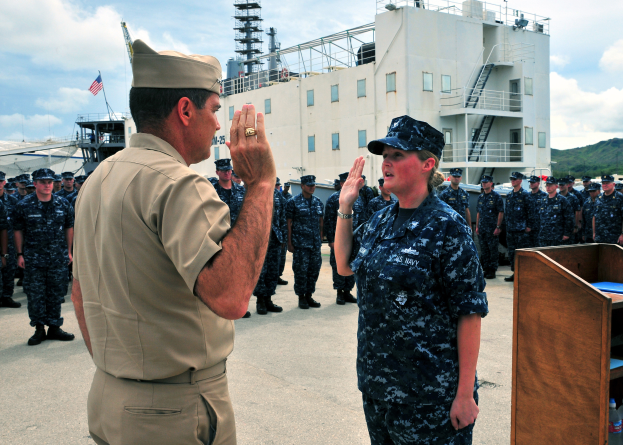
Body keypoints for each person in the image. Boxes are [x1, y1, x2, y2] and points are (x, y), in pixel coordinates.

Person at [71, 40, 276, 445]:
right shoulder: (178, 184)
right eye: (215, 110)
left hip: (111, 395)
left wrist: (124, 372)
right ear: (185, 110)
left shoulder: (97, 179)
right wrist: (261, 184)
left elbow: (79, 290)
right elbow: (233, 298)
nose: (219, 124)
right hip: (171, 413)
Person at [334, 115, 488, 445]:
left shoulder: (448, 228)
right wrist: (345, 208)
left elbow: (469, 314)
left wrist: (464, 394)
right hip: (379, 389)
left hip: (429, 399)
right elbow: (345, 265)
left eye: (398, 156)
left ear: (426, 164)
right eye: (385, 156)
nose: (386, 163)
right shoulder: (381, 220)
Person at [13, 168, 75, 345]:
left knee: (56, 293)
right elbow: (17, 230)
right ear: (35, 184)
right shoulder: (24, 205)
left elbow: (68, 227)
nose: (47, 185)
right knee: (35, 294)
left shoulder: (63, 204)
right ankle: (39, 328)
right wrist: (20, 254)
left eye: (49, 182)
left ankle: (54, 327)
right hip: (33, 258)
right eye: (43, 182)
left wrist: (69, 251)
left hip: (57, 257)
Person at [324, 172, 363, 305]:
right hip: (339, 239)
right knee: (338, 265)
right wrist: (331, 240)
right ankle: (340, 293)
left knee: (353, 264)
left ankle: (347, 291)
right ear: (341, 183)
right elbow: (328, 221)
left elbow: (362, 219)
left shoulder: (359, 198)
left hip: (355, 239)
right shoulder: (334, 199)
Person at [286, 175, 324, 309]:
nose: (312, 187)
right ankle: (301, 297)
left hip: (314, 244)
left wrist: (320, 238)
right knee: (301, 271)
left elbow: (321, 221)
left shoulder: (318, 202)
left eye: (313, 185)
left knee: (314, 270)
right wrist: (289, 243)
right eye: (309, 185)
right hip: (300, 244)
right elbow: (288, 223)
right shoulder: (293, 202)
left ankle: (309, 295)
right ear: (302, 186)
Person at [253, 177, 286, 315]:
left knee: (273, 270)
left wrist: (283, 236)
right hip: (258, 238)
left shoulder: (277, 194)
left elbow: (282, 216)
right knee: (261, 270)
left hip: (274, 237)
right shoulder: (254, 192)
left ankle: (268, 299)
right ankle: (260, 300)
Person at [503, 172, 534, 283]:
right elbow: (507, 212)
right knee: (512, 253)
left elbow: (530, 212)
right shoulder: (509, 195)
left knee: (521, 253)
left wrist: (529, 226)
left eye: (515, 179)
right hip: (511, 229)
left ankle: (523, 273)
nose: (513, 181)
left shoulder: (525, 195)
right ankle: (515, 273)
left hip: (521, 230)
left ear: (520, 180)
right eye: (512, 179)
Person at [476, 175, 504, 280]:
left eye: (486, 182)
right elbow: (478, 213)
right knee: (484, 250)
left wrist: (498, 226)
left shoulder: (496, 196)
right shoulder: (481, 197)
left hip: (492, 228)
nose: (484, 184)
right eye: (482, 182)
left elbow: (500, 212)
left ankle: (492, 270)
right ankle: (486, 269)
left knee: (493, 250)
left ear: (491, 183)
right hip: (482, 228)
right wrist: (477, 226)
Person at [0, 171, 20, 308]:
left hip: (10, 242)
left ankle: (7, 297)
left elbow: (18, 223)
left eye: (0, 181)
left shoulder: (13, 201)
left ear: (4, 183)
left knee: (9, 271)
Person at [537, 176, 574, 247]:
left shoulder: (562, 200)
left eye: (550, 185)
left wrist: (567, 233)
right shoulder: (543, 200)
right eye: (547, 185)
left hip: (557, 236)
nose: (548, 187)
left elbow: (569, 218)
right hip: (544, 236)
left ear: (556, 186)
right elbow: (539, 218)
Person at [213, 158, 246, 226]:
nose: (227, 173)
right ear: (217, 172)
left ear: (231, 171)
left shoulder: (241, 190)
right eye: (223, 170)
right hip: (220, 231)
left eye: (228, 170)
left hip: (238, 230)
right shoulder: (212, 190)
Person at [593, 174, 623, 245]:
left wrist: (622, 234)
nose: (605, 185)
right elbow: (594, 216)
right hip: (600, 236)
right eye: (603, 183)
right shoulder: (599, 198)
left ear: (613, 184)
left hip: (615, 237)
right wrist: (594, 232)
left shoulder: (620, 198)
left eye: (607, 183)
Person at [558, 177, 581, 244]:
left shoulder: (573, 197)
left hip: (569, 226)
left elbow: (577, 212)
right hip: (558, 227)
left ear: (567, 185)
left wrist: (576, 226)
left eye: (563, 185)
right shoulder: (556, 197)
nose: (561, 186)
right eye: (560, 185)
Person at [526, 175, 546, 248]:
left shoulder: (544, 196)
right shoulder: (527, 196)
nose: (531, 184)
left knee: (539, 248)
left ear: (538, 183)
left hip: (540, 228)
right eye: (530, 182)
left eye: (533, 182)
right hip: (528, 228)